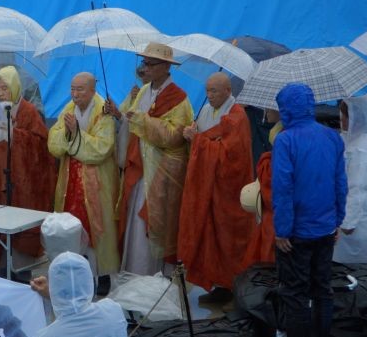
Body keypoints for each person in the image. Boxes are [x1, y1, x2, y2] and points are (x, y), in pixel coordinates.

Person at [268, 83, 347, 337]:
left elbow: (283, 189)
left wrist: (282, 230)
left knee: (295, 291)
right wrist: (338, 219)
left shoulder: (286, 140)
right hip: (325, 227)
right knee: (322, 288)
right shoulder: (332, 137)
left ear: (287, 108)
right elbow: (341, 183)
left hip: (297, 232)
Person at [117, 43, 194, 276]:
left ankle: (157, 277)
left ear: (166, 67)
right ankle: (134, 274)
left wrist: (143, 121)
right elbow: (131, 120)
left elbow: (174, 136)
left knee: (156, 222)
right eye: (144, 63)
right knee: (135, 220)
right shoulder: (143, 91)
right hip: (140, 167)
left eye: (150, 64)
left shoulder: (180, 98)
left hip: (162, 172)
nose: (145, 68)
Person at [177, 73, 255, 301]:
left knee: (227, 238)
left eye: (215, 91)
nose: (209, 95)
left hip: (228, 190)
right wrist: (192, 134)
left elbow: (232, 156)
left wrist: (198, 140)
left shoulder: (237, 116)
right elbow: (204, 141)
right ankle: (217, 284)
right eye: (208, 90)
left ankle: (231, 286)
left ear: (228, 91)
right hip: (208, 186)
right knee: (209, 236)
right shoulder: (205, 111)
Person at [0, 66, 55, 273]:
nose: (1, 94)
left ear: (15, 87)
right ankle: (1, 264)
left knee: (20, 217)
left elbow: (40, 143)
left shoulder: (28, 110)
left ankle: (21, 267)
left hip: (22, 177)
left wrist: (14, 134)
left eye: (5, 89)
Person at [48, 72, 119, 292]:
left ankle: (103, 274)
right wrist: (69, 135)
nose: (75, 94)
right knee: (72, 226)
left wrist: (76, 134)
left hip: (96, 180)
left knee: (99, 226)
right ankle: (77, 273)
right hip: (70, 179)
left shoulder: (103, 110)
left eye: (80, 89)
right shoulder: (69, 109)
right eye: (72, 89)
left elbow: (103, 148)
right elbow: (53, 140)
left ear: (92, 89)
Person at [336, 95, 367, 263]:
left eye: (346, 116)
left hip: (355, 225)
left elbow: (357, 188)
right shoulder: (352, 141)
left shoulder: (363, 150)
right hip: (350, 219)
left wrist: (347, 223)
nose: (341, 119)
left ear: (358, 116)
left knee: (351, 274)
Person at [241, 108, 282, 270]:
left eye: (271, 108)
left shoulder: (284, 137)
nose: (266, 111)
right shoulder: (277, 130)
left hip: (277, 215)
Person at [105, 64, 149, 171]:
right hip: (128, 148)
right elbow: (122, 116)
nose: (143, 78)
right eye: (141, 74)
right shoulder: (135, 94)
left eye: (145, 74)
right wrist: (116, 112)